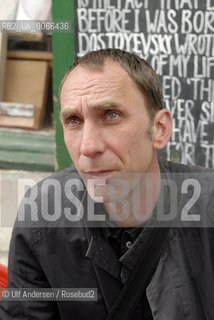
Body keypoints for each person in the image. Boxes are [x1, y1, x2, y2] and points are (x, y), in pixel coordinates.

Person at [0, 48, 214, 320]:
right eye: (73, 120)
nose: (88, 147)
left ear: (159, 129)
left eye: (111, 115)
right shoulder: (42, 216)